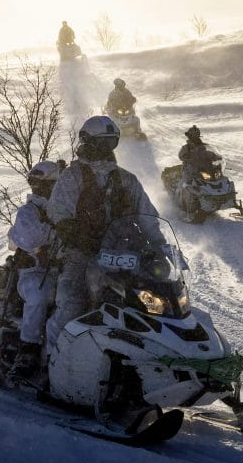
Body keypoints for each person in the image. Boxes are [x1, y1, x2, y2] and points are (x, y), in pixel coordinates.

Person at [44, 115, 158, 348]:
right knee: (72, 305)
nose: (106, 148)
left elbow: (148, 216)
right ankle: (53, 357)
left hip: (125, 254)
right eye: (101, 142)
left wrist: (159, 245)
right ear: (87, 142)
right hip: (81, 254)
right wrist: (77, 235)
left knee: (153, 302)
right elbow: (58, 213)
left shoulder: (126, 179)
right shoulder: (72, 177)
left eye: (111, 142)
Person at [7, 161, 62, 378]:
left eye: (45, 184)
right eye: (37, 184)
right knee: (40, 294)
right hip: (34, 274)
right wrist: (57, 232)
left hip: (66, 273)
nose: (40, 188)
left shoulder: (65, 208)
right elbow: (31, 238)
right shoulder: (29, 211)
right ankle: (28, 350)